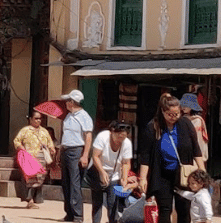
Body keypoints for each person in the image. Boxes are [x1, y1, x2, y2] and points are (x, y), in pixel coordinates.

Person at [138, 94, 205, 223]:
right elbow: (145, 156)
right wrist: (142, 179)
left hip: (183, 174)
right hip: (162, 175)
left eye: (177, 114)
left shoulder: (186, 124)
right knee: (165, 209)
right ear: (163, 111)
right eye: (170, 114)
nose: (173, 117)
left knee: (184, 209)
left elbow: (196, 149)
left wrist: (202, 172)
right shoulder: (153, 127)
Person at [89, 120, 135, 223]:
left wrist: (124, 178)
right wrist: (102, 172)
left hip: (114, 174)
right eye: (118, 137)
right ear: (112, 132)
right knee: (97, 202)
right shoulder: (103, 137)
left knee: (112, 203)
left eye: (123, 138)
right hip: (97, 170)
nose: (120, 140)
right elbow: (95, 156)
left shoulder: (126, 143)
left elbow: (126, 163)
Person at [60, 89, 94, 223]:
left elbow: (88, 136)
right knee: (66, 183)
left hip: (76, 151)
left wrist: (85, 155)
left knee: (75, 183)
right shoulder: (68, 116)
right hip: (66, 150)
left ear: (72, 102)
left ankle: (78, 215)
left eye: (68, 101)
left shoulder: (84, 116)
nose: (66, 103)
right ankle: (69, 213)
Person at [13, 110, 57, 209]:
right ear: (31, 119)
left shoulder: (44, 131)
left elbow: (50, 143)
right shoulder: (25, 130)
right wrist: (21, 148)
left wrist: (52, 149)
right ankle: (30, 200)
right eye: (36, 118)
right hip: (29, 158)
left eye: (40, 118)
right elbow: (16, 141)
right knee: (30, 178)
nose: (38, 120)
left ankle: (35, 198)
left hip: (41, 159)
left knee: (40, 178)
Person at [180, 93, 209, 163]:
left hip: (195, 156)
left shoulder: (197, 121)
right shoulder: (182, 119)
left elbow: (198, 141)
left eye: (186, 105)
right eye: (183, 104)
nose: (184, 107)